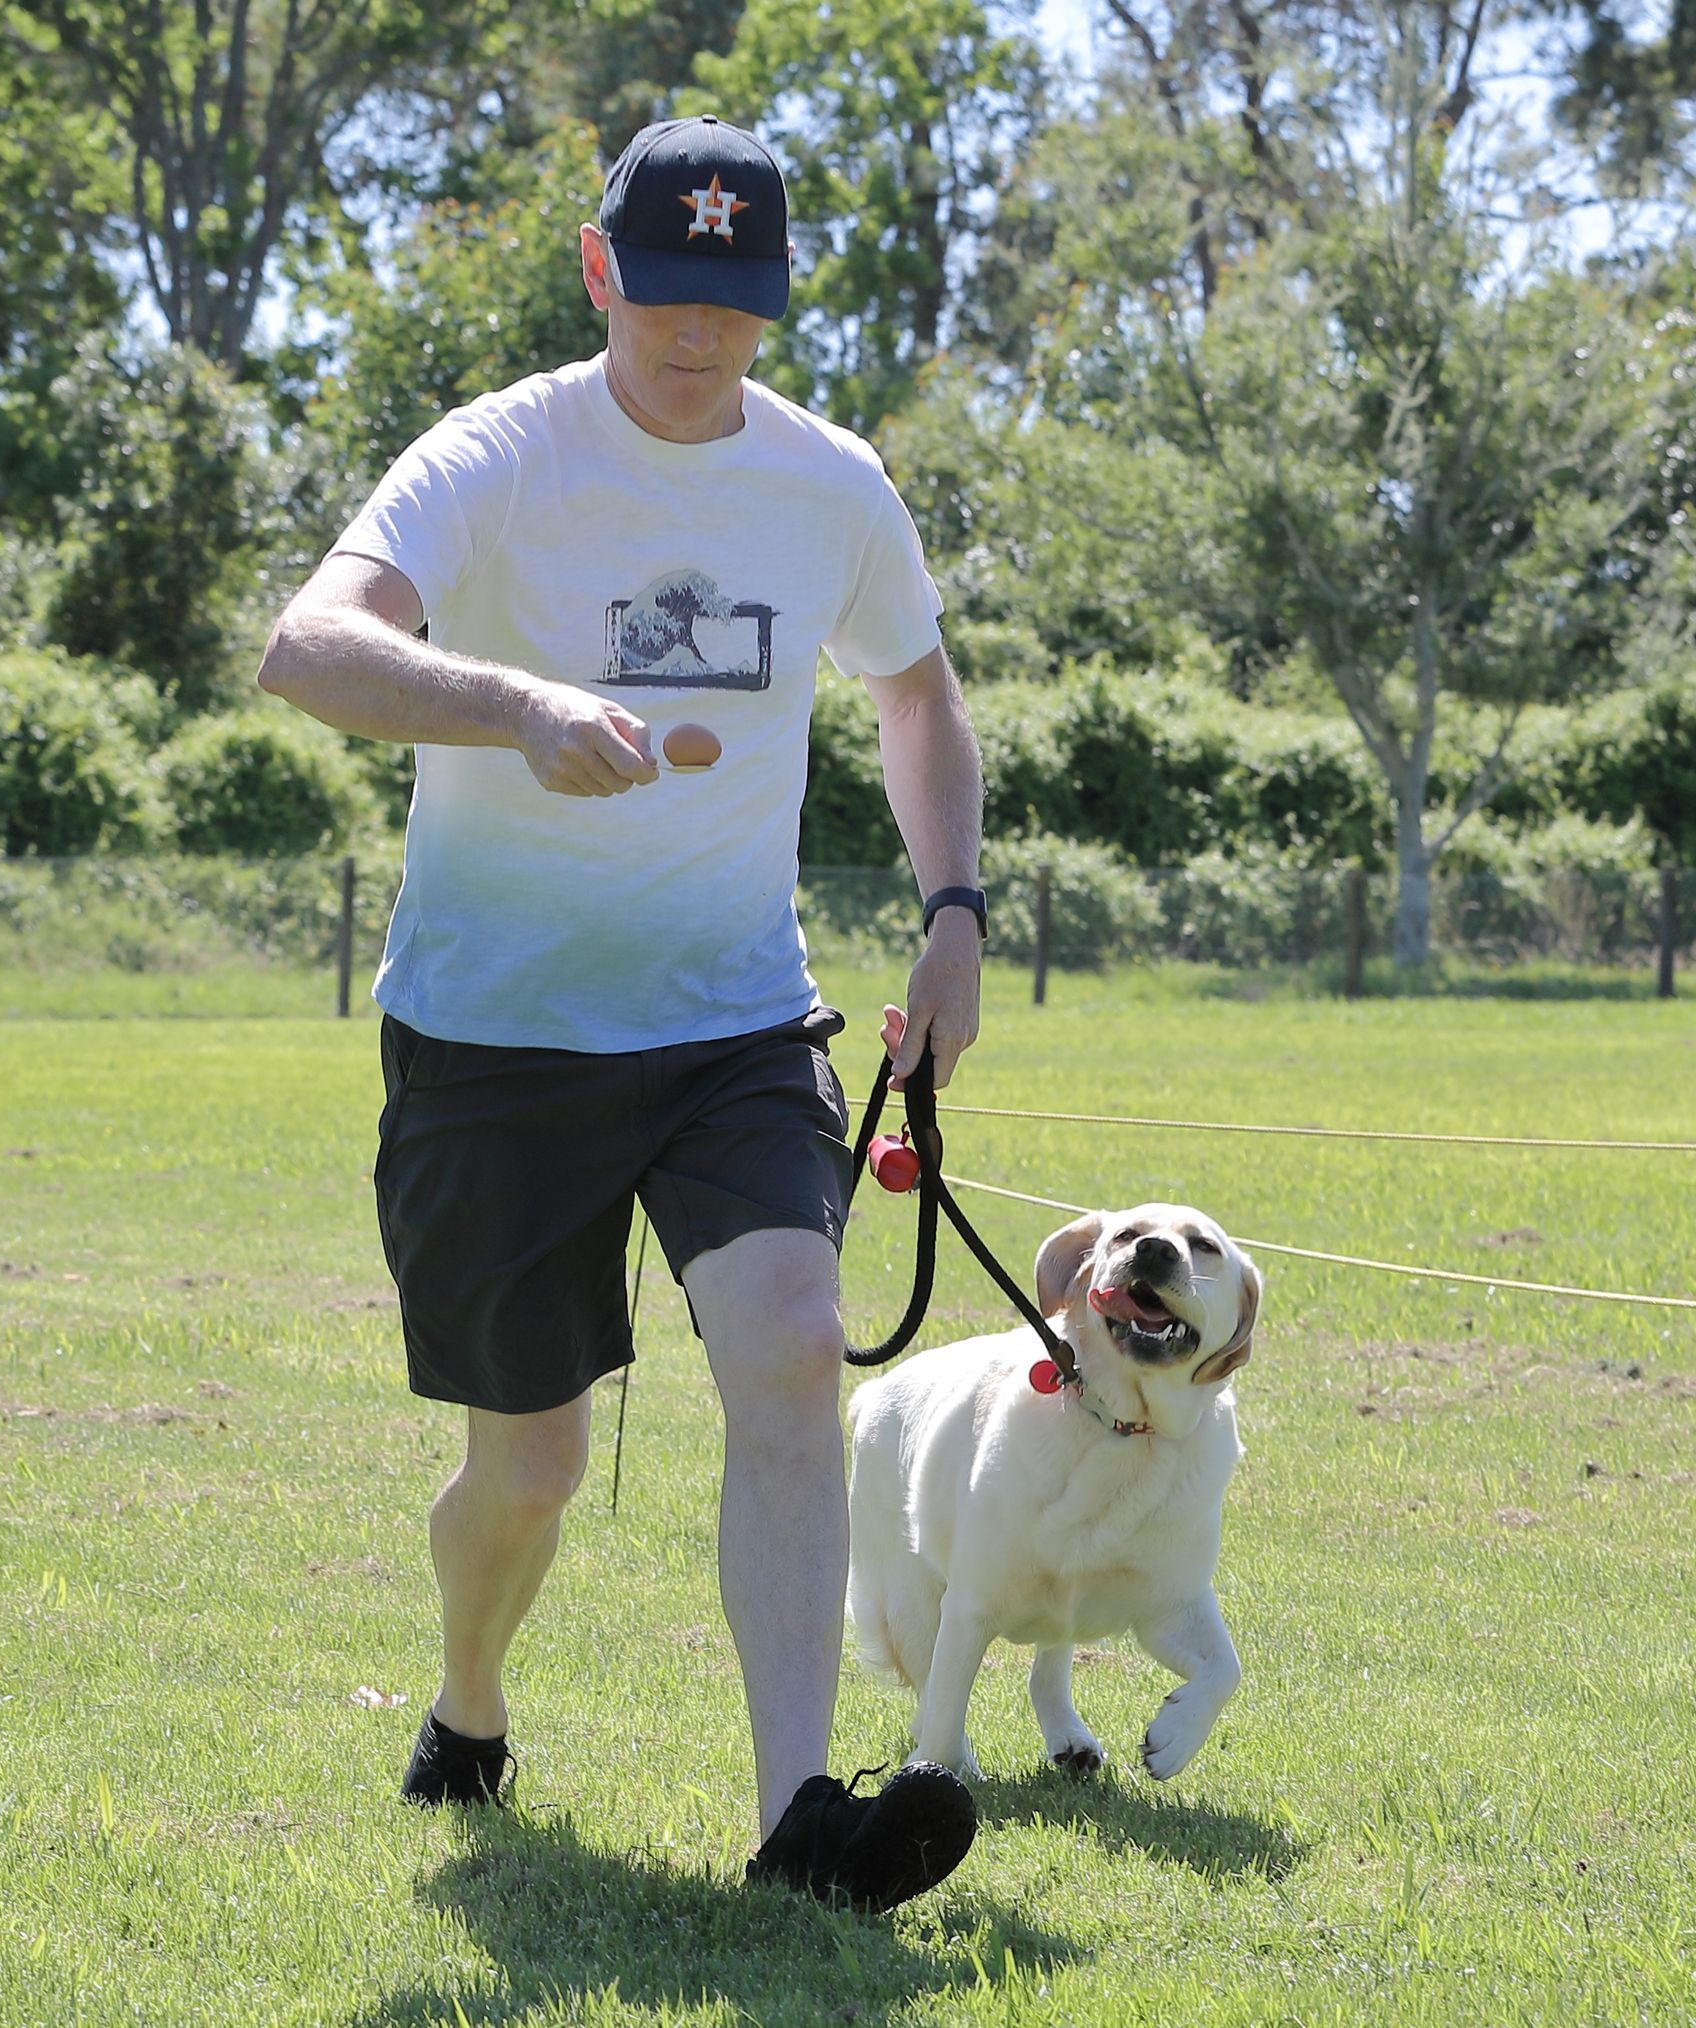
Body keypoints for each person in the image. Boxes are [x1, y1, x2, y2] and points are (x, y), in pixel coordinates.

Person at [255, 114, 987, 1913]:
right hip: (496, 1040)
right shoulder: (502, 452)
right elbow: (310, 643)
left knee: (794, 1342)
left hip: (734, 1021)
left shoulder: (830, 485)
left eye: (733, 307)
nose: (697, 337)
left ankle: (798, 1819)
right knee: (532, 1464)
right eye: (664, 296)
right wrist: (513, 703)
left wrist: (956, 908)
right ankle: (471, 1699)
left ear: (776, 302)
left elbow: (916, 699)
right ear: (600, 272)